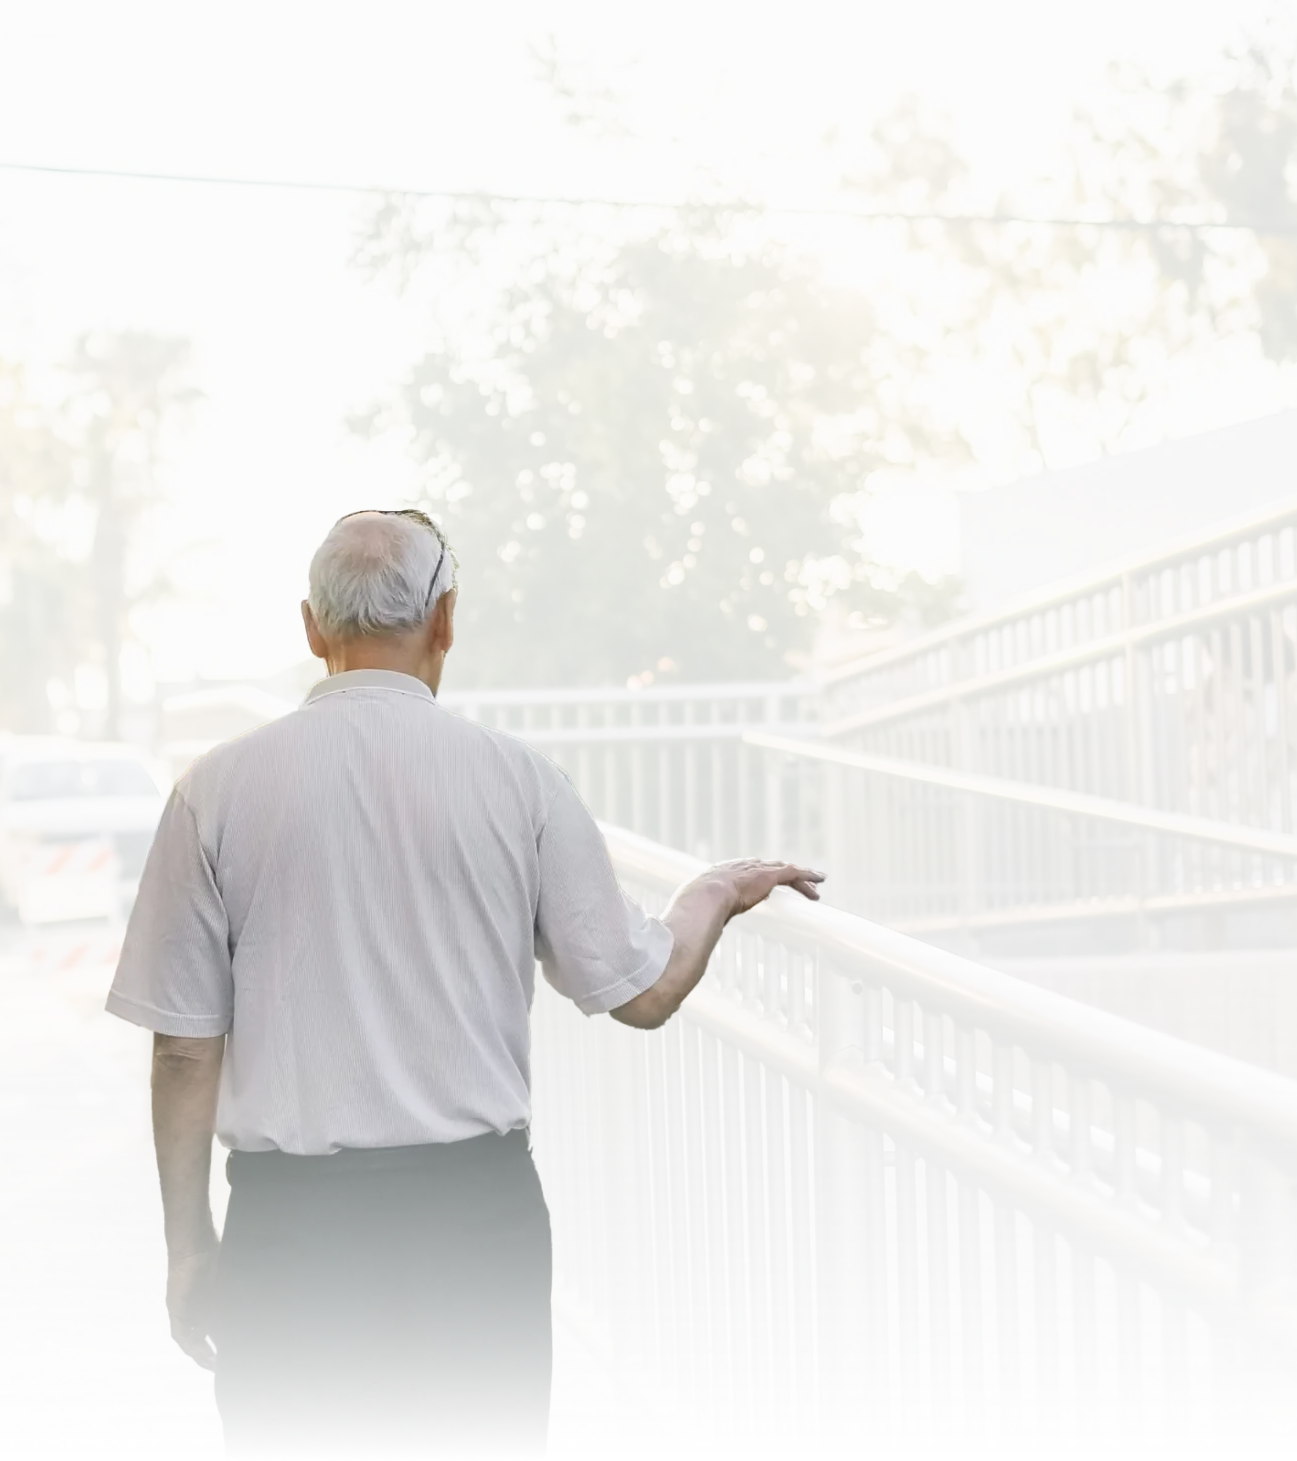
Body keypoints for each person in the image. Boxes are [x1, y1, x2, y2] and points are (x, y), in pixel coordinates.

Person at [104, 509, 823, 1449]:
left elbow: (186, 1057)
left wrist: (192, 1249)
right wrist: (713, 889)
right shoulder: (521, 779)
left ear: (312, 629)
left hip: (293, 1237)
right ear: (445, 619)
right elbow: (643, 990)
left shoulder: (215, 788)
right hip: (474, 1228)